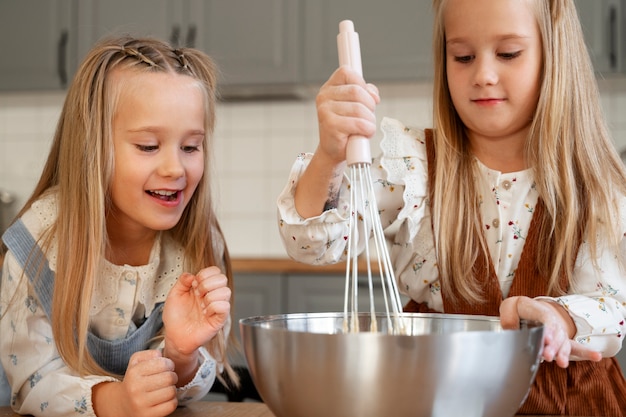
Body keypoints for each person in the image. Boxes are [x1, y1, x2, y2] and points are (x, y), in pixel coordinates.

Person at [277, 0, 626, 415]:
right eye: (463, 56)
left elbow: (611, 306)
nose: (483, 75)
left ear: (555, 54)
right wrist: (330, 155)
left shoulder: (592, 183)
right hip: (438, 401)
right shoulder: (413, 168)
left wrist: (559, 318)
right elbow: (312, 244)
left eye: (508, 53)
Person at [0, 35, 239, 417]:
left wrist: (180, 355)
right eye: (148, 146)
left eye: (191, 147)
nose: (176, 168)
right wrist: (118, 402)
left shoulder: (197, 243)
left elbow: (197, 384)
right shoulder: (39, 241)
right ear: (91, 149)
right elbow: (31, 381)